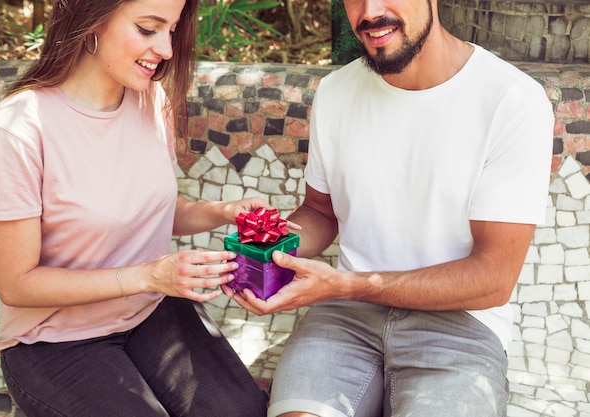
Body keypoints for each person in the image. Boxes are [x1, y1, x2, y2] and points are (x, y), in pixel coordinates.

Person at [223, 0, 554, 416]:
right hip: (344, 319)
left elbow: (493, 279)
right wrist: (261, 248)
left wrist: (345, 284)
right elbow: (321, 213)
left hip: (459, 327)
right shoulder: (336, 91)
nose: (370, 11)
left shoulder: (512, 100)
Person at [0, 1, 270, 416]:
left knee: (240, 412)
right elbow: (17, 284)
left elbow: (148, 209)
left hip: (152, 311)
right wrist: (150, 274)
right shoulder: (18, 131)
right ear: (91, 21)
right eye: (148, 29)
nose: (166, 49)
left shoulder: (151, 100)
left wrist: (223, 210)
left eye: (172, 30)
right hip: (54, 340)